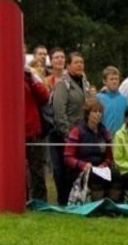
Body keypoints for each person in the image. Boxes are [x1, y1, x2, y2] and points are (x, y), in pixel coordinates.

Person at [62, 96, 121, 202]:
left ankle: (112, 206)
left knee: (116, 174)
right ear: (87, 114)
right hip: (81, 169)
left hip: (100, 167)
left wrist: (104, 165)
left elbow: (109, 157)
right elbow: (68, 157)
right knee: (95, 176)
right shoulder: (77, 131)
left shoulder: (104, 132)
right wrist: (83, 165)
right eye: (94, 111)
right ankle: (95, 206)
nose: (98, 114)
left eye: (100, 112)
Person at [52, 52, 90, 205]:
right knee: (64, 170)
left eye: (81, 62)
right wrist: (68, 134)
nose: (80, 65)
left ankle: (78, 199)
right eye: (76, 62)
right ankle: (63, 200)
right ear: (68, 65)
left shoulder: (85, 83)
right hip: (66, 135)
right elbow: (59, 111)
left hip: (82, 133)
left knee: (78, 169)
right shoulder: (63, 84)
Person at [23, 64, 50, 202]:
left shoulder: (30, 76)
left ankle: (40, 202)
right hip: (13, 134)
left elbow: (45, 97)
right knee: (19, 171)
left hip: (33, 131)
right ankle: (22, 200)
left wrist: (31, 79)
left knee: (37, 170)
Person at [97, 66, 128, 135]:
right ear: (104, 81)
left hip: (120, 139)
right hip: (103, 138)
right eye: (111, 79)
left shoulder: (124, 99)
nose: (114, 81)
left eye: (116, 79)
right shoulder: (99, 98)